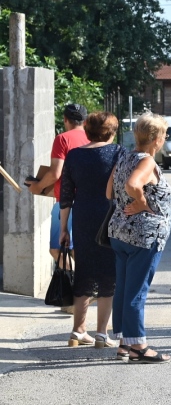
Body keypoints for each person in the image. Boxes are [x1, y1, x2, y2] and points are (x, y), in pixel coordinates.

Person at [107, 113, 171, 363]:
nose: (165, 139)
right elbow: (133, 185)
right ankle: (139, 346)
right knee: (137, 291)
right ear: (155, 139)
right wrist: (144, 204)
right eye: (164, 135)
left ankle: (124, 342)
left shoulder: (124, 156)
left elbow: (108, 190)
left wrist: (133, 201)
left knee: (124, 289)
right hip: (143, 236)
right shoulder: (146, 161)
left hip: (120, 231)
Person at [58, 112, 124, 347]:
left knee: (84, 271)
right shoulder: (118, 153)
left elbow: (65, 195)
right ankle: (102, 334)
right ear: (112, 132)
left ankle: (77, 331)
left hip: (82, 218)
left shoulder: (74, 156)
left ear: (87, 130)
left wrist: (63, 228)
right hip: (110, 218)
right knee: (109, 274)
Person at [25, 103, 89, 283]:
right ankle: (82, 295)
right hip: (88, 202)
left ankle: (83, 287)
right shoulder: (92, 138)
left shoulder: (62, 139)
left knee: (56, 249)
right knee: (78, 250)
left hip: (67, 203)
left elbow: (55, 173)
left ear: (65, 120)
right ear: (84, 121)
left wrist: (38, 187)